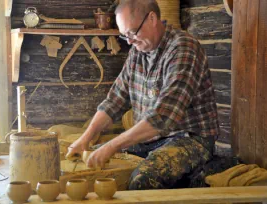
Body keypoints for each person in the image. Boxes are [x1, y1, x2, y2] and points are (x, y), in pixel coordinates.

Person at [66, 0, 220, 190]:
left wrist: (112, 145)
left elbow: (162, 118)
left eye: (132, 33)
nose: (129, 41)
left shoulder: (183, 48)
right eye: (125, 36)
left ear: (152, 18)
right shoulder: (137, 51)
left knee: (143, 180)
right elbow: (114, 101)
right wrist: (85, 138)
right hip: (150, 141)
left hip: (190, 139)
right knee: (89, 161)